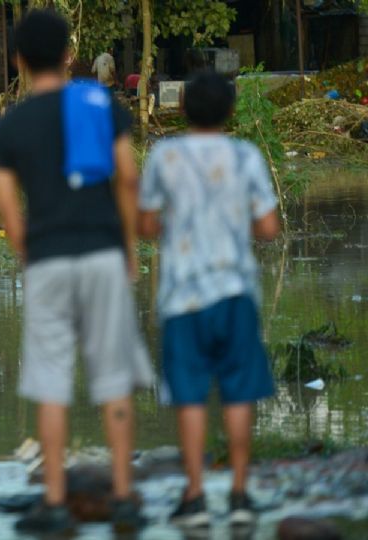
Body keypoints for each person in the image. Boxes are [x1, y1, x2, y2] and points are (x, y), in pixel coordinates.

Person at [0, 10, 153, 535]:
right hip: (102, 253)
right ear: (68, 56)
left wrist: (30, 258)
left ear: (18, 61)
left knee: (51, 383)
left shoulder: (9, 126)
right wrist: (127, 247)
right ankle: (124, 496)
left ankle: (55, 504)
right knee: (114, 380)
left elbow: (10, 212)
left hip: (48, 262)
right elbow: (127, 179)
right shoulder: (100, 104)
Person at [138, 71, 281, 528]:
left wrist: (178, 227)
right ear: (230, 112)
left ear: (182, 110)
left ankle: (195, 496)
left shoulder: (165, 154)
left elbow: (144, 224)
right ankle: (239, 494)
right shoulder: (245, 156)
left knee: (191, 396)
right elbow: (268, 229)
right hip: (235, 293)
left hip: (183, 297)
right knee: (239, 393)